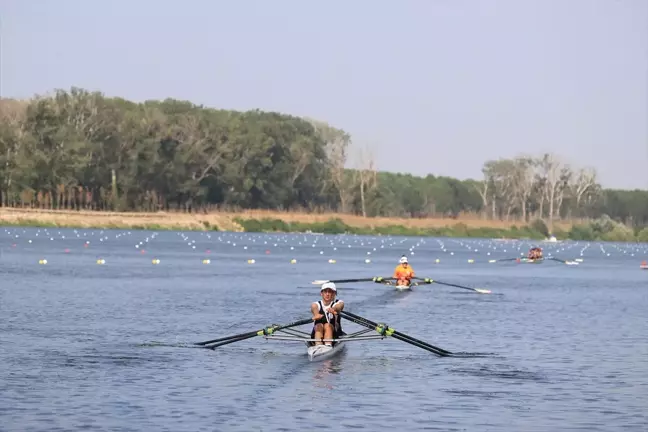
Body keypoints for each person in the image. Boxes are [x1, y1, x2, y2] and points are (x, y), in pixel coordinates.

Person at [310, 282, 344, 347]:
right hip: (317, 332)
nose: (327, 294)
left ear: (334, 294)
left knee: (327, 326)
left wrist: (333, 309)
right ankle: (318, 346)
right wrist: (316, 314)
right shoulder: (316, 304)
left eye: (330, 292)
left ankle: (328, 345)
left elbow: (340, 306)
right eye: (325, 292)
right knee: (318, 325)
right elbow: (313, 307)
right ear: (321, 293)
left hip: (335, 335)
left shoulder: (338, 303)